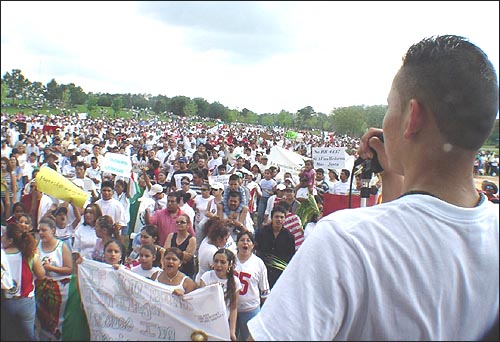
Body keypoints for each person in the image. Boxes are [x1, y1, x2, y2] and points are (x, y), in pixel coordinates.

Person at [248, 35, 499, 340]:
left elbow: (394, 241)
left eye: (390, 105)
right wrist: (392, 175)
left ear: (412, 117)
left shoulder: (343, 242)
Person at [1, 223, 45, 341]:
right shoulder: (29, 254)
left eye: (4, 236)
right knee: (27, 334)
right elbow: (41, 274)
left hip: (6, 301)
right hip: (26, 301)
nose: (1, 238)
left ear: (10, 240)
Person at [35, 217, 73, 340]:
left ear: (52, 230)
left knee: (57, 318)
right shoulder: (37, 245)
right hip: (42, 289)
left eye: (44, 230)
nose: (40, 233)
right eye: (39, 230)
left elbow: (69, 268)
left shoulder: (62, 247)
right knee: (43, 317)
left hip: (59, 290)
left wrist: (51, 268)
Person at [200, 248, 241, 342]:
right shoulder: (206, 277)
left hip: (223, 324)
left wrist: (232, 331)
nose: (218, 265)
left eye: (222, 262)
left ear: (229, 264)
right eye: (216, 261)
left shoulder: (235, 282)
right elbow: (201, 301)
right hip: (206, 322)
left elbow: (233, 308)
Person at [234, 231, 269, 341]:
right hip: (230, 307)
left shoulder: (258, 263)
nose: (245, 243)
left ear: (253, 245)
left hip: (250, 309)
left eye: (248, 240)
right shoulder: (230, 259)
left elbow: (264, 290)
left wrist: (266, 312)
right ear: (237, 243)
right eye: (242, 240)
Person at [164, 213, 196, 279]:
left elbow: (186, 259)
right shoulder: (171, 236)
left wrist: (172, 252)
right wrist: (181, 254)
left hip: (186, 273)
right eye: (177, 222)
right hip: (170, 271)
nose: (179, 224)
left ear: (188, 225)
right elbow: (165, 253)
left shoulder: (192, 240)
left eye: (182, 222)